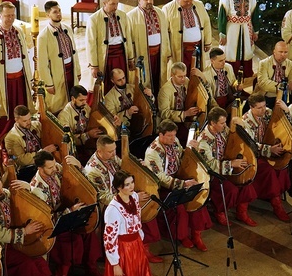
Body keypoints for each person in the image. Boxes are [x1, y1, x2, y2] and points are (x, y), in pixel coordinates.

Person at [10, 150, 102, 276]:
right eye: (50, 167)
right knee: (72, 238)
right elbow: (47, 218)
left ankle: (91, 267)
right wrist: (70, 211)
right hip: (53, 222)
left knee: (88, 231)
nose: (55, 168)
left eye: (54, 165)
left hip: (66, 211)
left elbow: (72, 174)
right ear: (40, 168)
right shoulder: (37, 189)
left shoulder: (54, 170)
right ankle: (62, 273)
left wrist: (78, 165)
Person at [92, 170, 162, 276]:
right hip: (123, 251)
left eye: (132, 183)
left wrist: (139, 237)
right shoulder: (112, 210)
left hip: (136, 246)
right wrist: (115, 263)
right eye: (127, 185)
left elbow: (137, 218)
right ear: (118, 188)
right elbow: (109, 239)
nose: (131, 187)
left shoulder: (135, 198)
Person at [84, 136, 162, 263]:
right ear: (99, 151)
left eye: (115, 150)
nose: (114, 153)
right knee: (139, 207)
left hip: (122, 194)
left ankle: (143, 247)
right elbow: (103, 197)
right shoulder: (93, 170)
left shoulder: (111, 156)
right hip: (110, 205)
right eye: (110, 151)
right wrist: (131, 197)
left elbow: (126, 166)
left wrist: (138, 164)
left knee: (148, 202)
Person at [144, 119, 211, 251]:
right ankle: (182, 236)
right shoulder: (152, 152)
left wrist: (191, 150)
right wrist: (182, 184)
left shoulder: (175, 142)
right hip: (163, 186)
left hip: (179, 177)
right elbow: (160, 177)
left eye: (174, 135)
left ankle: (197, 234)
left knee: (197, 196)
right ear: (161, 135)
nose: (173, 139)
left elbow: (182, 158)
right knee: (179, 207)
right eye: (169, 136)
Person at [0, 1, 35, 139]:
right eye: (7, 15)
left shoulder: (19, 31)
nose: (10, 18)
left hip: (20, 79)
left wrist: (30, 79)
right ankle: (5, 142)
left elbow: (26, 58)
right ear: (0, 16)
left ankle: (24, 136)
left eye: (12, 15)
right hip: (4, 83)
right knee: (6, 115)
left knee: (22, 110)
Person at [237, 93, 292, 223]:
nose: (263, 110)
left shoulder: (268, 112)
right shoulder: (245, 121)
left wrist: (286, 110)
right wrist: (269, 150)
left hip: (269, 148)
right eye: (259, 108)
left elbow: (281, 124)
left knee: (282, 164)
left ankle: (275, 195)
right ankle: (276, 204)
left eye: (264, 106)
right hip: (253, 155)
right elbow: (250, 143)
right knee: (268, 170)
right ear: (251, 107)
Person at [196, 107, 255, 226]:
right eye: (222, 123)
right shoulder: (203, 140)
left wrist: (241, 125)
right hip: (214, 174)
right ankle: (220, 211)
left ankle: (241, 212)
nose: (224, 125)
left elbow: (243, 138)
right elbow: (210, 165)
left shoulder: (223, 130)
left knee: (246, 182)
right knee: (231, 190)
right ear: (212, 123)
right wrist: (231, 164)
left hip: (228, 166)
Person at [36, 0, 81, 115]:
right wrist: (48, 84)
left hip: (71, 69)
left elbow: (74, 51)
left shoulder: (67, 28)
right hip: (57, 73)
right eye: (55, 12)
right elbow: (42, 63)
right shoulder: (43, 36)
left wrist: (78, 71)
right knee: (58, 103)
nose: (59, 14)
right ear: (48, 15)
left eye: (59, 11)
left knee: (71, 97)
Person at [86, 0, 133, 93]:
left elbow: (128, 37)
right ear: (104, 3)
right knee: (107, 83)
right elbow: (90, 44)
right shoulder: (94, 19)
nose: (115, 7)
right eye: (112, 4)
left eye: (117, 4)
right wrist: (94, 66)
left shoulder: (122, 15)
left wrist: (130, 57)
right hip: (105, 56)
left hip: (121, 54)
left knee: (122, 79)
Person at [126, 0, 170, 95]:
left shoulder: (160, 12)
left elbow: (165, 33)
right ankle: (147, 104)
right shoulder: (131, 16)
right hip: (143, 54)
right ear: (139, 0)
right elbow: (129, 39)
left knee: (159, 78)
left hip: (159, 53)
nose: (149, 1)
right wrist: (131, 57)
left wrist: (167, 51)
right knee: (145, 80)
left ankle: (159, 100)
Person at [218, 0, 259, 77]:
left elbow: (254, 12)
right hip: (232, 27)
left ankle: (246, 77)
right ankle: (231, 77)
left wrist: (256, 30)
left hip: (246, 27)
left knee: (247, 51)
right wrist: (222, 33)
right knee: (231, 51)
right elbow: (222, 15)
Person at [162, 0, 213, 72]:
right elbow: (164, 33)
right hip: (179, 49)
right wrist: (167, 51)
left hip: (198, 48)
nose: (189, 3)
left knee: (196, 72)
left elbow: (206, 22)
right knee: (181, 73)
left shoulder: (199, 4)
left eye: (191, 0)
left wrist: (207, 42)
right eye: (186, 1)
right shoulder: (167, 9)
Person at [3, 105, 54, 182]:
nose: (29, 122)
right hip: (28, 169)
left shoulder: (36, 124)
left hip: (45, 163)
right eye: (25, 121)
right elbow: (21, 160)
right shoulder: (11, 138)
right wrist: (43, 152)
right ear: (16, 120)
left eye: (29, 119)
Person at [158, 62, 205, 143]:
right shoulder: (165, 90)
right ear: (172, 75)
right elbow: (164, 113)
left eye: (184, 75)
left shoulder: (186, 81)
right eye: (180, 76)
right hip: (173, 123)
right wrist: (185, 114)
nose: (183, 79)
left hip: (188, 118)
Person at [58, 85, 103, 163]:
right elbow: (69, 140)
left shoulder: (85, 107)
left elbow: (93, 119)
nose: (85, 102)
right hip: (77, 150)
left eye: (85, 100)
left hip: (89, 144)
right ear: (73, 99)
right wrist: (87, 135)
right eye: (81, 100)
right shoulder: (64, 115)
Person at [256, 41, 292, 108]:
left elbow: (290, 82)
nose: (283, 54)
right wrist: (282, 86)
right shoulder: (264, 63)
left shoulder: (291, 64)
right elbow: (263, 83)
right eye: (280, 52)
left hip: (284, 97)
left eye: (285, 52)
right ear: (274, 52)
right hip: (267, 96)